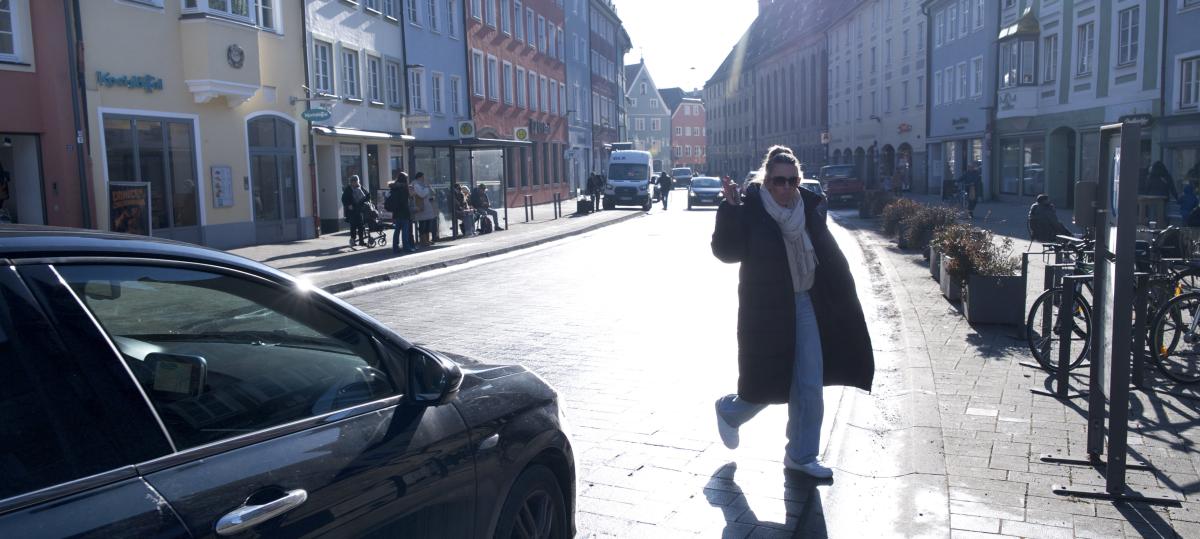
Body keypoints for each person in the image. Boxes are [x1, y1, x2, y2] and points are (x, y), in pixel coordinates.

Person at [711, 145, 875, 479]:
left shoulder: (811, 208)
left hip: (807, 303)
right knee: (771, 381)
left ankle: (801, 454)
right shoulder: (751, 210)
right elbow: (726, 253)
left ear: (799, 180)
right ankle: (730, 411)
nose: (785, 188)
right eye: (778, 181)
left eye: (791, 181)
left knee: (809, 382)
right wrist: (729, 212)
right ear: (766, 181)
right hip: (768, 311)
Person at [387, 171, 415, 253]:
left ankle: (395, 247)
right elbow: (404, 202)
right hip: (404, 212)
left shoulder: (394, 188)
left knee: (397, 231)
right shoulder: (404, 188)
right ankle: (406, 247)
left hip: (396, 212)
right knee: (405, 231)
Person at [341, 175, 369, 247]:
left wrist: (365, 201)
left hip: (359, 210)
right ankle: (353, 240)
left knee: (361, 226)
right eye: (354, 181)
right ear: (351, 182)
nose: (356, 183)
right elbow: (343, 199)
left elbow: (368, 195)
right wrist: (348, 205)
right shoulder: (348, 189)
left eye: (356, 181)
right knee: (353, 226)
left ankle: (361, 241)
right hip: (352, 211)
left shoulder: (360, 187)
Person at [411, 172, 437, 246]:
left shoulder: (422, 184)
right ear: (419, 177)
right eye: (423, 177)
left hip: (427, 207)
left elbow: (431, 192)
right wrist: (427, 188)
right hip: (421, 208)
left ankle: (427, 239)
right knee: (423, 225)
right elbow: (421, 194)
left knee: (427, 224)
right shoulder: (416, 184)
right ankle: (423, 240)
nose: (424, 179)